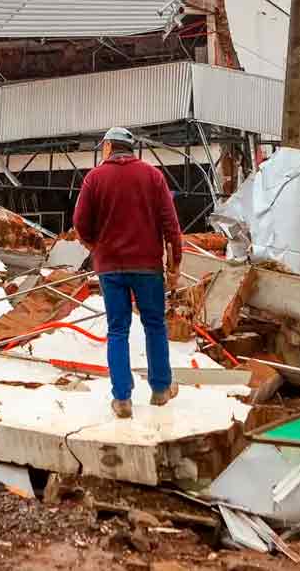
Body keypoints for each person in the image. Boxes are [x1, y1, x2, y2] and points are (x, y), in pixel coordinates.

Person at [73, 127, 183, 418]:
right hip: (148, 267)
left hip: (111, 268)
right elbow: (172, 227)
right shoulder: (153, 176)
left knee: (117, 330)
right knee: (155, 325)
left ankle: (122, 398)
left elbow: (80, 224)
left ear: (109, 146)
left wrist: (97, 247)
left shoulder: (94, 178)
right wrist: (175, 266)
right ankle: (161, 390)